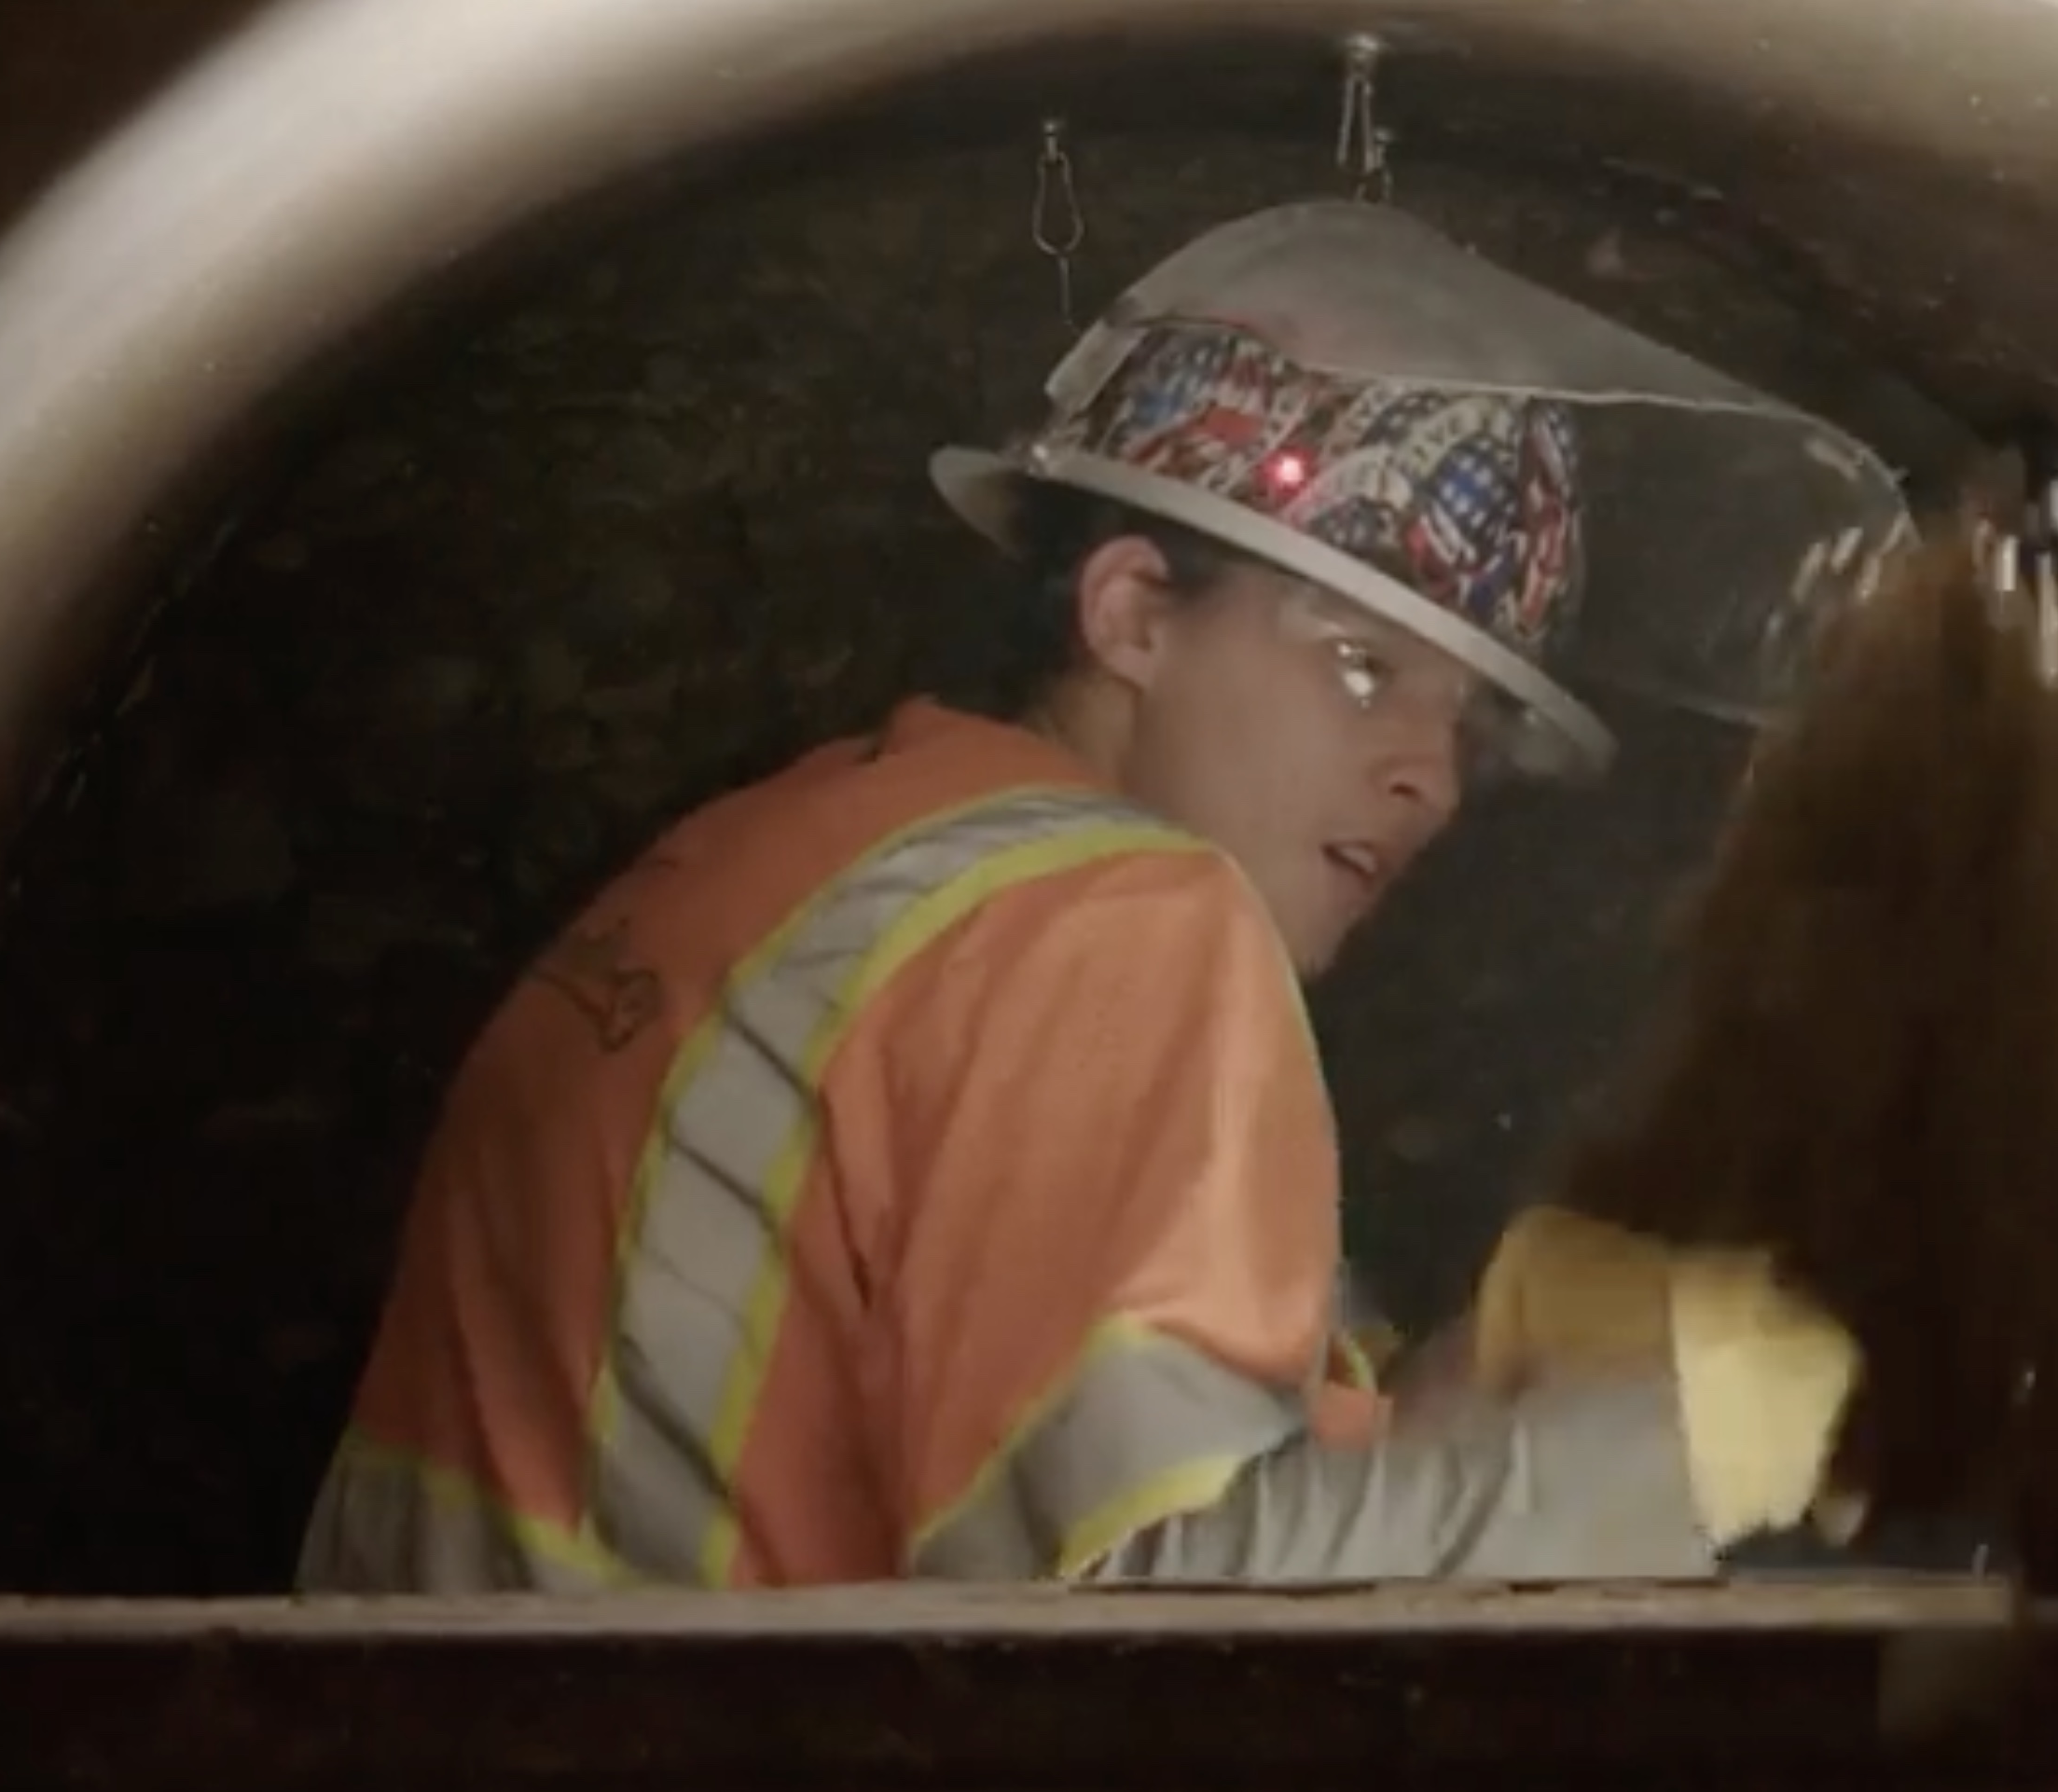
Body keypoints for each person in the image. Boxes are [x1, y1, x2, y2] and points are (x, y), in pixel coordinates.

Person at [294, 202, 1865, 1593]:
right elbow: (1161, 1612)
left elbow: (1054, 1439)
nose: (1429, 777)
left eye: (1462, 721)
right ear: (1130, 614)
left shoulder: (803, 849)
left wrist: (1482, 1364)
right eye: (1360, 665)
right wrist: (1683, 1446)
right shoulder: (1116, 915)